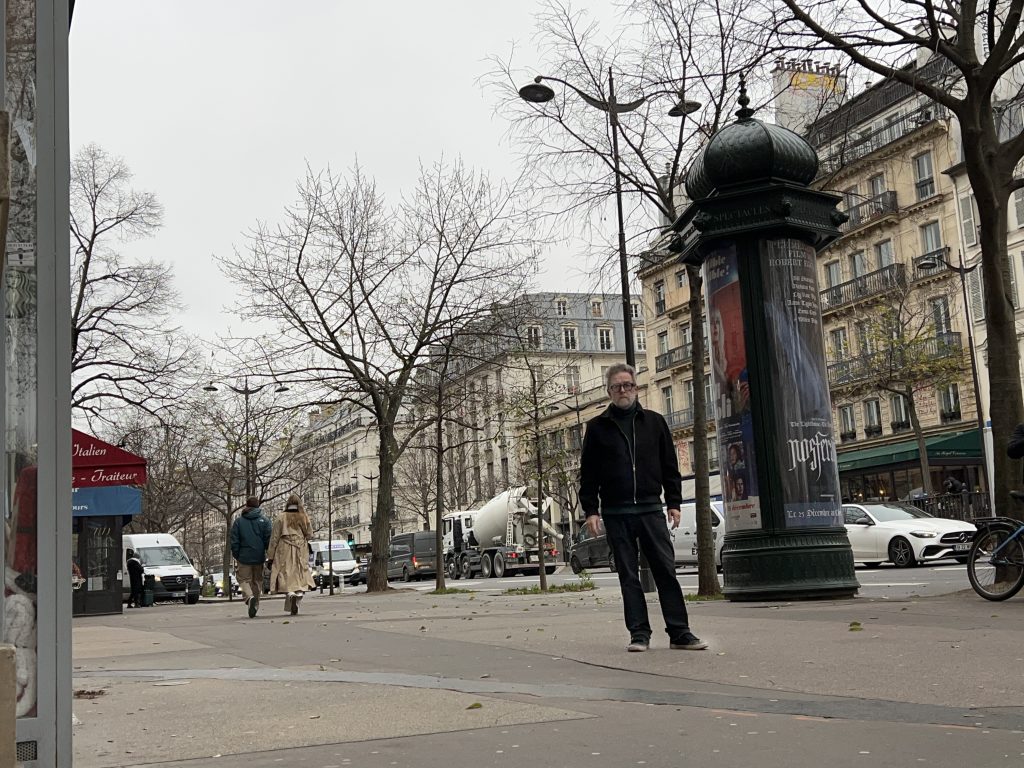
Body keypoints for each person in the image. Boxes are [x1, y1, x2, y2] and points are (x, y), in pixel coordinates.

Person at [579, 363, 708, 653]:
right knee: (628, 576)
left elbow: (669, 466)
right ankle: (639, 633)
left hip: (651, 510)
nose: (623, 390)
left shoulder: (655, 422)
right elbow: (588, 474)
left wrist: (673, 502)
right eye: (617, 386)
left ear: (636, 388)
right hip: (616, 513)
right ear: (609, 391)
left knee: (665, 570)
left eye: (628, 385)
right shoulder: (597, 428)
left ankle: (680, 632)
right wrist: (591, 510)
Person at [267, 494, 314, 615]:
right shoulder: (303, 516)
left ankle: (290, 593)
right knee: (299, 571)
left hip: (284, 546)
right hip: (300, 547)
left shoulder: (281, 517)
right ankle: (298, 593)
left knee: (284, 571)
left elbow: (274, 538)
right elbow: (309, 534)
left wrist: (270, 556)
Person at [230, 496, 272, 618]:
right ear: (258, 505)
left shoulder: (239, 522)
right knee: (257, 581)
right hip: (259, 556)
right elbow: (268, 540)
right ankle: (255, 603)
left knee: (243, 580)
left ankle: (249, 597)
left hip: (244, 556)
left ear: (246, 506)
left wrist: (236, 554)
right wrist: (268, 555)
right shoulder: (265, 521)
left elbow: (234, 541)